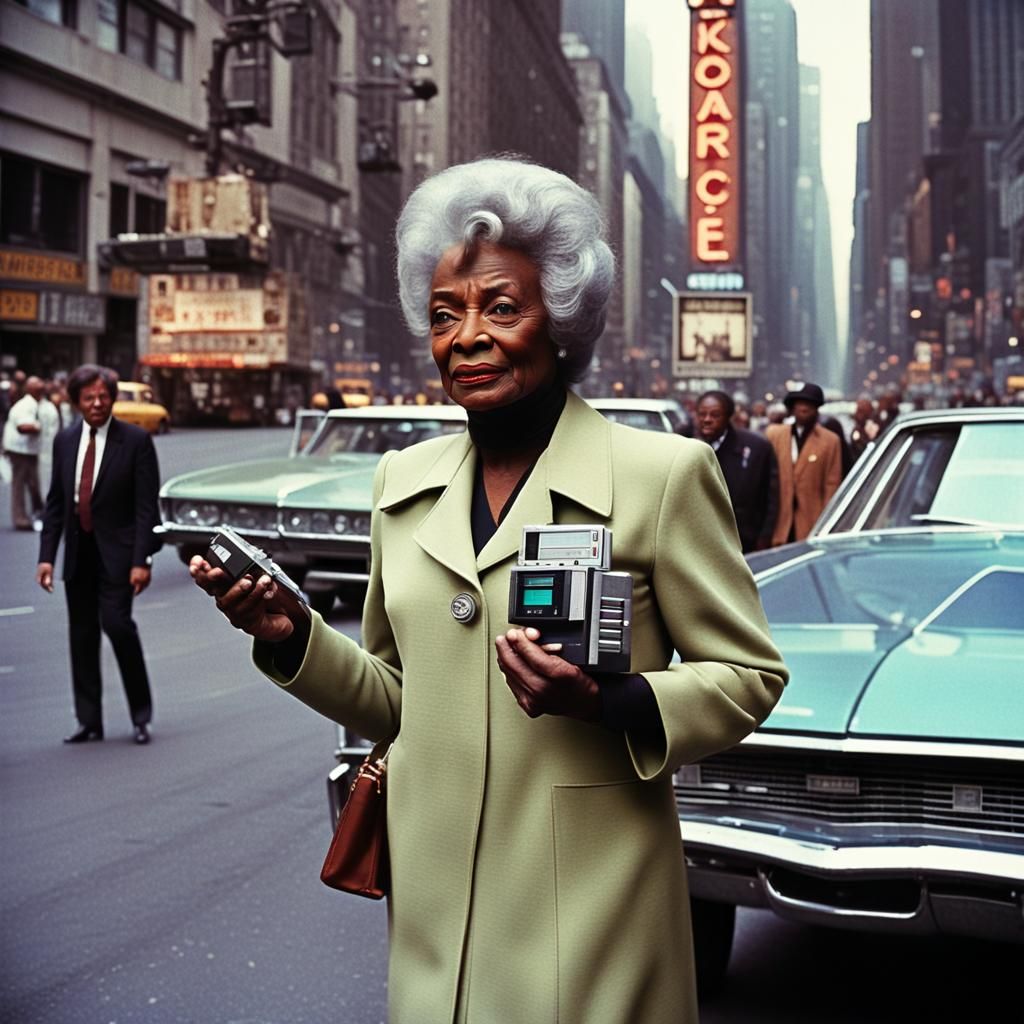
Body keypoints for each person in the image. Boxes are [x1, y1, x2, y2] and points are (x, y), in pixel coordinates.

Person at [189, 158, 788, 1023]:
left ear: (563, 320)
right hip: (433, 917)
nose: (467, 335)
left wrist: (610, 699)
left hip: (593, 917)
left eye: (501, 307)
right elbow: (399, 701)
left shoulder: (663, 475)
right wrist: (292, 635)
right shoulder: (401, 480)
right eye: (445, 314)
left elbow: (748, 676)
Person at [36, 364, 162, 745]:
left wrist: (141, 561)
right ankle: (89, 721)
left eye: (103, 396)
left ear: (112, 399)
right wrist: (46, 558)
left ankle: (141, 716)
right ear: (76, 402)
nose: (96, 403)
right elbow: (56, 504)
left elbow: (146, 509)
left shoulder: (136, 441)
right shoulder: (65, 441)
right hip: (79, 553)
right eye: (88, 398)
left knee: (117, 625)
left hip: (120, 555)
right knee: (82, 633)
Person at [696, 390, 779, 553]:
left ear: (728, 417)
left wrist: (764, 537)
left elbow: (771, 498)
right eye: (702, 414)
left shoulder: (757, 447)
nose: (707, 420)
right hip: (700, 541)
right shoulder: (685, 444)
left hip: (743, 541)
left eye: (715, 415)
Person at [766, 382, 842, 545]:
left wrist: (827, 522)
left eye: (809, 404)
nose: (804, 408)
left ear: (817, 408)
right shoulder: (774, 434)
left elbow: (832, 484)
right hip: (778, 521)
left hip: (811, 520)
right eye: (799, 403)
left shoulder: (830, 441)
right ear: (792, 408)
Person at [3, 374, 46, 530]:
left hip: (27, 450)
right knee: (20, 484)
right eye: (39, 385)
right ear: (32, 389)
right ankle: (21, 518)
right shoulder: (27, 405)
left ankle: (39, 513)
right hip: (20, 450)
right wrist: (37, 426)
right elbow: (23, 427)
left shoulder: (34, 403)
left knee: (34, 483)